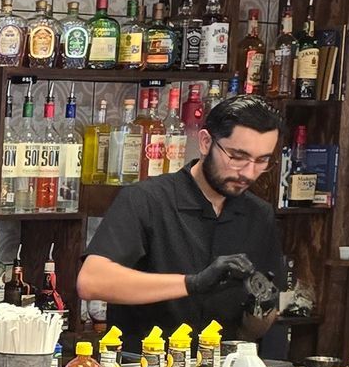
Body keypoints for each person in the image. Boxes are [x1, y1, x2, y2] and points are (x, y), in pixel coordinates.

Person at [76, 92, 287, 348]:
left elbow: (252, 330)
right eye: (237, 157)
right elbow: (91, 282)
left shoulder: (258, 214)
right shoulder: (146, 200)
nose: (249, 172)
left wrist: (262, 306)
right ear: (206, 142)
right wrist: (193, 283)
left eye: (262, 161)